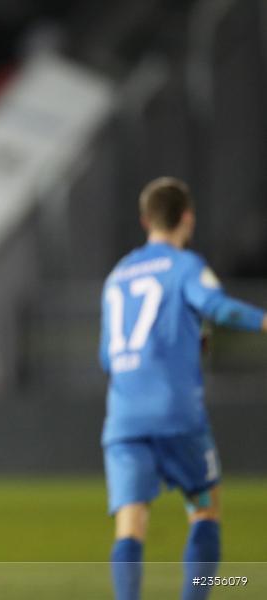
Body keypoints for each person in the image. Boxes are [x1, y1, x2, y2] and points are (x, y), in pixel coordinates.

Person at [99, 177, 267, 600]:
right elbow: (217, 306)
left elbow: (107, 357)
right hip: (175, 412)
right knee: (205, 508)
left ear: (145, 220)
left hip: (123, 417)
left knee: (131, 524)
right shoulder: (185, 265)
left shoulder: (117, 275)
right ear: (187, 218)